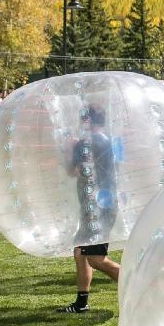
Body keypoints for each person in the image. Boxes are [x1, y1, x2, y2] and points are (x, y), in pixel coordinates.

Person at [58, 104, 122, 313]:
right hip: (105, 204)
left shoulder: (84, 144)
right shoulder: (110, 142)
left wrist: (69, 149)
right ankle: (81, 303)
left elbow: (72, 171)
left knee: (96, 259)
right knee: (80, 251)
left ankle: (138, 285)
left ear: (87, 122)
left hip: (96, 209)